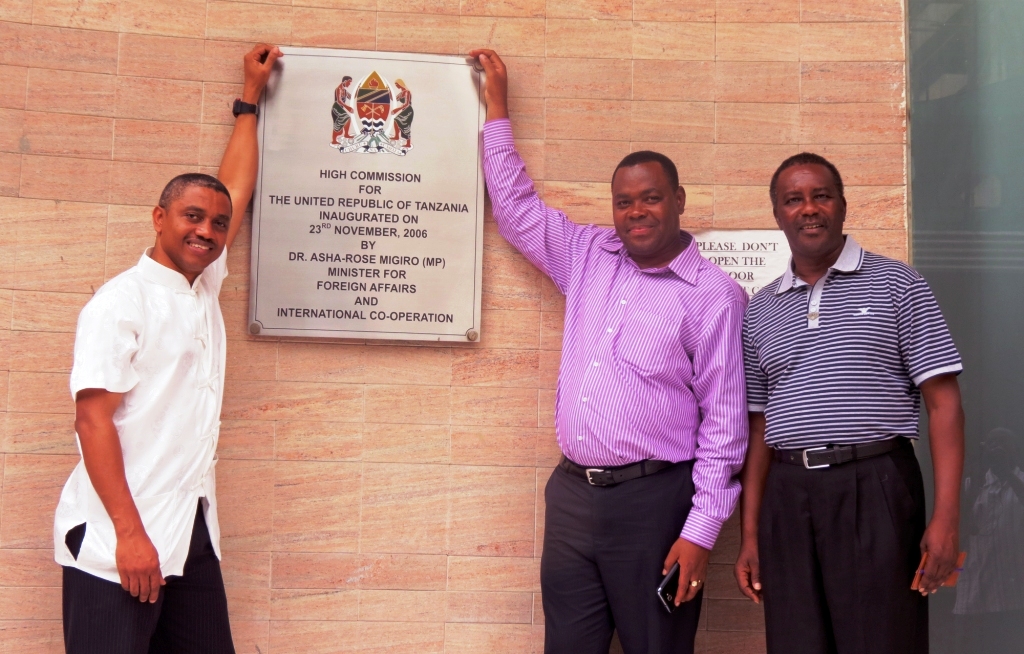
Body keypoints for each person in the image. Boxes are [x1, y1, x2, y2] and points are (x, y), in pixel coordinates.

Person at [470, 49, 748, 654]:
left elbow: (725, 428)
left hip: (656, 504)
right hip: (572, 497)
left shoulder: (714, 296)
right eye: (624, 202)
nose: (635, 212)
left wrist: (700, 532)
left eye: (650, 198)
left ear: (679, 199)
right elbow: (516, 211)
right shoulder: (588, 256)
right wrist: (497, 108)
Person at [53, 43, 282, 653]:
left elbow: (235, 187)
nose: (207, 231)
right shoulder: (120, 304)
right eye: (192, 217)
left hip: (191, 534)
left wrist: (249, 101)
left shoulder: (202, 286)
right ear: (159, 218)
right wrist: (130, 536)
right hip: (118, 542)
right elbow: (91, 420)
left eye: (216, 223)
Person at [734, 152, 966, 654]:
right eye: (793, 200)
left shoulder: (899, 284)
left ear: (842, 205)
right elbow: (758, 428)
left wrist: (947, 518)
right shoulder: (759, 310)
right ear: (777, 215)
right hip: (787, 495)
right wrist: (750, 533)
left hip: (875, 485)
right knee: (797, 642)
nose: (808, 208)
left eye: (821, 195)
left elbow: (944, 405)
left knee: (882, 640)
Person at [389, 79, 413, 148]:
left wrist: (397, 109)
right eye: (395, 85)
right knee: (396, 121)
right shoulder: (402, 93)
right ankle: (397, 136)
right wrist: (389, 91)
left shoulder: (407, 92)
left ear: (400, 84)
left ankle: (408, 143)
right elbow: (394, 99)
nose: (396, 86)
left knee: (406, 126)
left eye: (397, 84)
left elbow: (406, 104)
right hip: (404, 110)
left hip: (408, 111)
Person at [332, 76, 354, 144]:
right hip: (336, 108)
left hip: (340, 109)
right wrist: (348, 107)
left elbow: (352, 97)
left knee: (348, 119)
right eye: (349, 82)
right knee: (338, 128)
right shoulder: (339, 89)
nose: (349, 84)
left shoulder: (344, 91)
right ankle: (334, 140)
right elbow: (339, 101)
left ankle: (346, 134)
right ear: (345, 81)